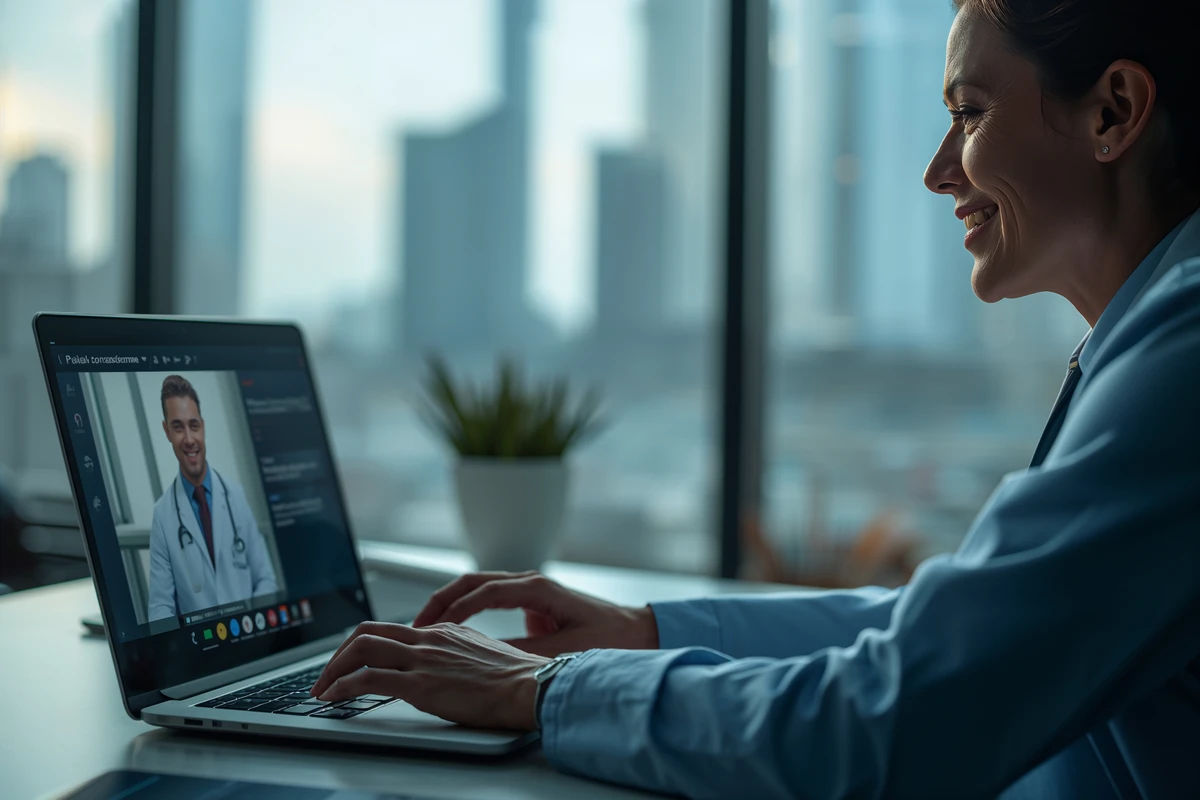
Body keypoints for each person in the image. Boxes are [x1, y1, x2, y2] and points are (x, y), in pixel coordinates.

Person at [312, 1, 1200, 796]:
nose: (938, 171)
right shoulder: (1149, 340)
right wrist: (645, 631)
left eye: (969, 113)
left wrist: (541, 689)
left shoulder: (1183, 357)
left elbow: (892, 721)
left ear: (1113, 111)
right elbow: (960, 634)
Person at [147, 375, 278, 622]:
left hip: (251, 634)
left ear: (203, 426)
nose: (188, 439)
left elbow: (265, 579)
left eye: (193, 425)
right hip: (202, 650)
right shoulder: (163, 515)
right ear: (166, 431)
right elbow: (160, 607)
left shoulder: (235, 496)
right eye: (178, 427)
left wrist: (256, 628)